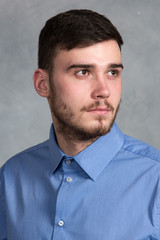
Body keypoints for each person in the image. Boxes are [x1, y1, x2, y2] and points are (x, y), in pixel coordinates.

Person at [0, 9, 160, 240]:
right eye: (83, 72)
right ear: (43, 83)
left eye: (113, 72)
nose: (104, 91)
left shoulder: (155, 180)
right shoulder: (9, 178)